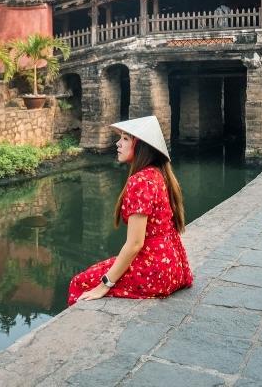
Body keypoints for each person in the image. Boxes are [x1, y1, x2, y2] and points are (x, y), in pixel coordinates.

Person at [67, 115, 193, 305]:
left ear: (141, 146)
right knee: (105, 267)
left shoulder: (140, 181)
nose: (118, 144)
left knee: (79, 283)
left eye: (125, 139)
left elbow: (135, 244)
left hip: (154, 272)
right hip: (174, 266)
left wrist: (104, 285)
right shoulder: (159, 174)